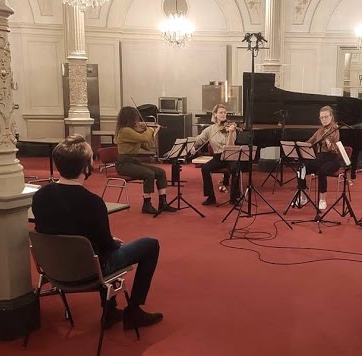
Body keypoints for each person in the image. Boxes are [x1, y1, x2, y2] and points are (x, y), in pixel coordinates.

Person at [31, 135, 163, 330]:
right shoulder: (93, 203)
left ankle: (110, 311)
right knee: (150, 245)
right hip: (90, 270)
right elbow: (106, 246)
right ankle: (134, 311)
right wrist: (112, 241)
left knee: (94, 249)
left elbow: (50, 230)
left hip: (54, 269)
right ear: (86, 167)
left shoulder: (40, 196)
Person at [114, 106, 177, 215]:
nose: (138, 120)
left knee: (160, 172)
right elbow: (144, 138)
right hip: (124, 164)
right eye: (136, 118)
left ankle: (163, 203)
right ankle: (146, 205)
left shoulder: (134, 133)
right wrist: (149, 129)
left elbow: (148, 146)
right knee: (149, 174)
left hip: (133, 161)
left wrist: (153, 134)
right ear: (130, 118)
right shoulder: (125, 131)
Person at [190, 104, 242, 206]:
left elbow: (230, 146)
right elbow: (199, 140)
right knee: (205, 168)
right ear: (215, 114)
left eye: (224, 112)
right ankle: (211, 197)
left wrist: (231, 133)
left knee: (236, 169)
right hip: (218, 157)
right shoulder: (210, 129)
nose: (223, 114)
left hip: (229, 156)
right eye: (220, 112)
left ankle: (234, 198)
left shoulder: (230, 128)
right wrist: (192, 146)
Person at [295, 105, 341, 211]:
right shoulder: (320, 131)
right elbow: (309, 142)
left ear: (331, 117)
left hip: (332, 159)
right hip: (320, 159)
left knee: (322, 171)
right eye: (322, 117)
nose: (324, 119)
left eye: (326, 117)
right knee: (301, 168)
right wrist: (298, 145)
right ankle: (303, 197)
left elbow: (332, 148)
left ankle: (322, 200)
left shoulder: (335, 129)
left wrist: (329, 144)